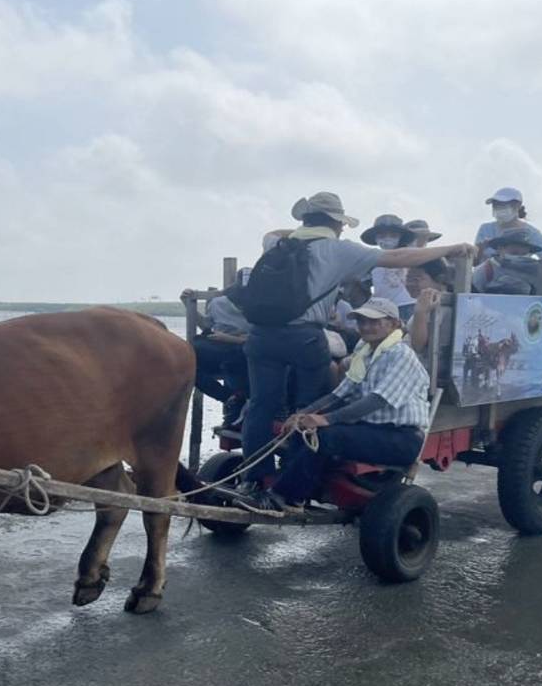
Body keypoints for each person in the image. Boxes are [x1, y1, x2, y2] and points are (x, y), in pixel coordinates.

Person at [239, 192, 475, 488]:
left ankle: (255, 477)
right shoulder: (339, 249)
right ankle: (295, 479)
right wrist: (453, 247)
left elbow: (270, 232)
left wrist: (300, 233)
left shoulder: (277, 243)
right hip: (304, 339)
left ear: (305, 220)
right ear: (337, 224)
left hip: (261, 336)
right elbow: (398, 258)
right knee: (309, 406)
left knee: (260, 405)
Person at [241, 298, 430, 513]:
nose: (366, 327)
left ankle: (285, 497)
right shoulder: (366, 352)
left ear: (394, 324)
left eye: (374, 321)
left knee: (324, 436)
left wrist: (325, 419)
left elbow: (377, 400)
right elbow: (338, 394)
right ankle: (293, 489)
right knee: (302, 430)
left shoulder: (400, 354)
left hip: (401, 438)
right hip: (371, 429)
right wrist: (301, 415)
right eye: (362, 321)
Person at [475, 187, 542, 295]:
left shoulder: (531, 233)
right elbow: (475, 262)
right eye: (496, 205)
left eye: (503, 204)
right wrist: (480, 250)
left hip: (521, 287)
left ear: (517, 206)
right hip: (485, 285)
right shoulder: (485, 229)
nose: (499, 208)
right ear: (500, 248)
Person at [185, 269, 252, 428]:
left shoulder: (262, 306)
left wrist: (230, 338)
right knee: (188, 362)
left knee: (237, 360)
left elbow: (262, 337)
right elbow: (206, 325)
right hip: (219, 347)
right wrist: (187, 304)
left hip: (243, 350)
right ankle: (230, 398)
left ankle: (240, 406)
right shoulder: (218, 303)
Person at [361, 214, 418, 322]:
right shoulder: (372, 260)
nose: (387, 239)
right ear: (376, 238)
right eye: (382, 236)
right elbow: (362, 283)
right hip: (382, 309)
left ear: (400, 237)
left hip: (408, 305)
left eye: (393, 235)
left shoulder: (408, 256)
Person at [472, 229, 542, 295]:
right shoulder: (487, 269)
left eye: (524, 254)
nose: (520, 256)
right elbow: (471, 294)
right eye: (514, 253)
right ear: (500, 249)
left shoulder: (535, 270)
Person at [407, 259, 454, 359]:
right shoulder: (430, 301)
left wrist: (420, 312)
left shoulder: (438, 306)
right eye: (408, 278)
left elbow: (418, 346)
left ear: (439, 279)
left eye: (416, 279)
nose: (409, 284)